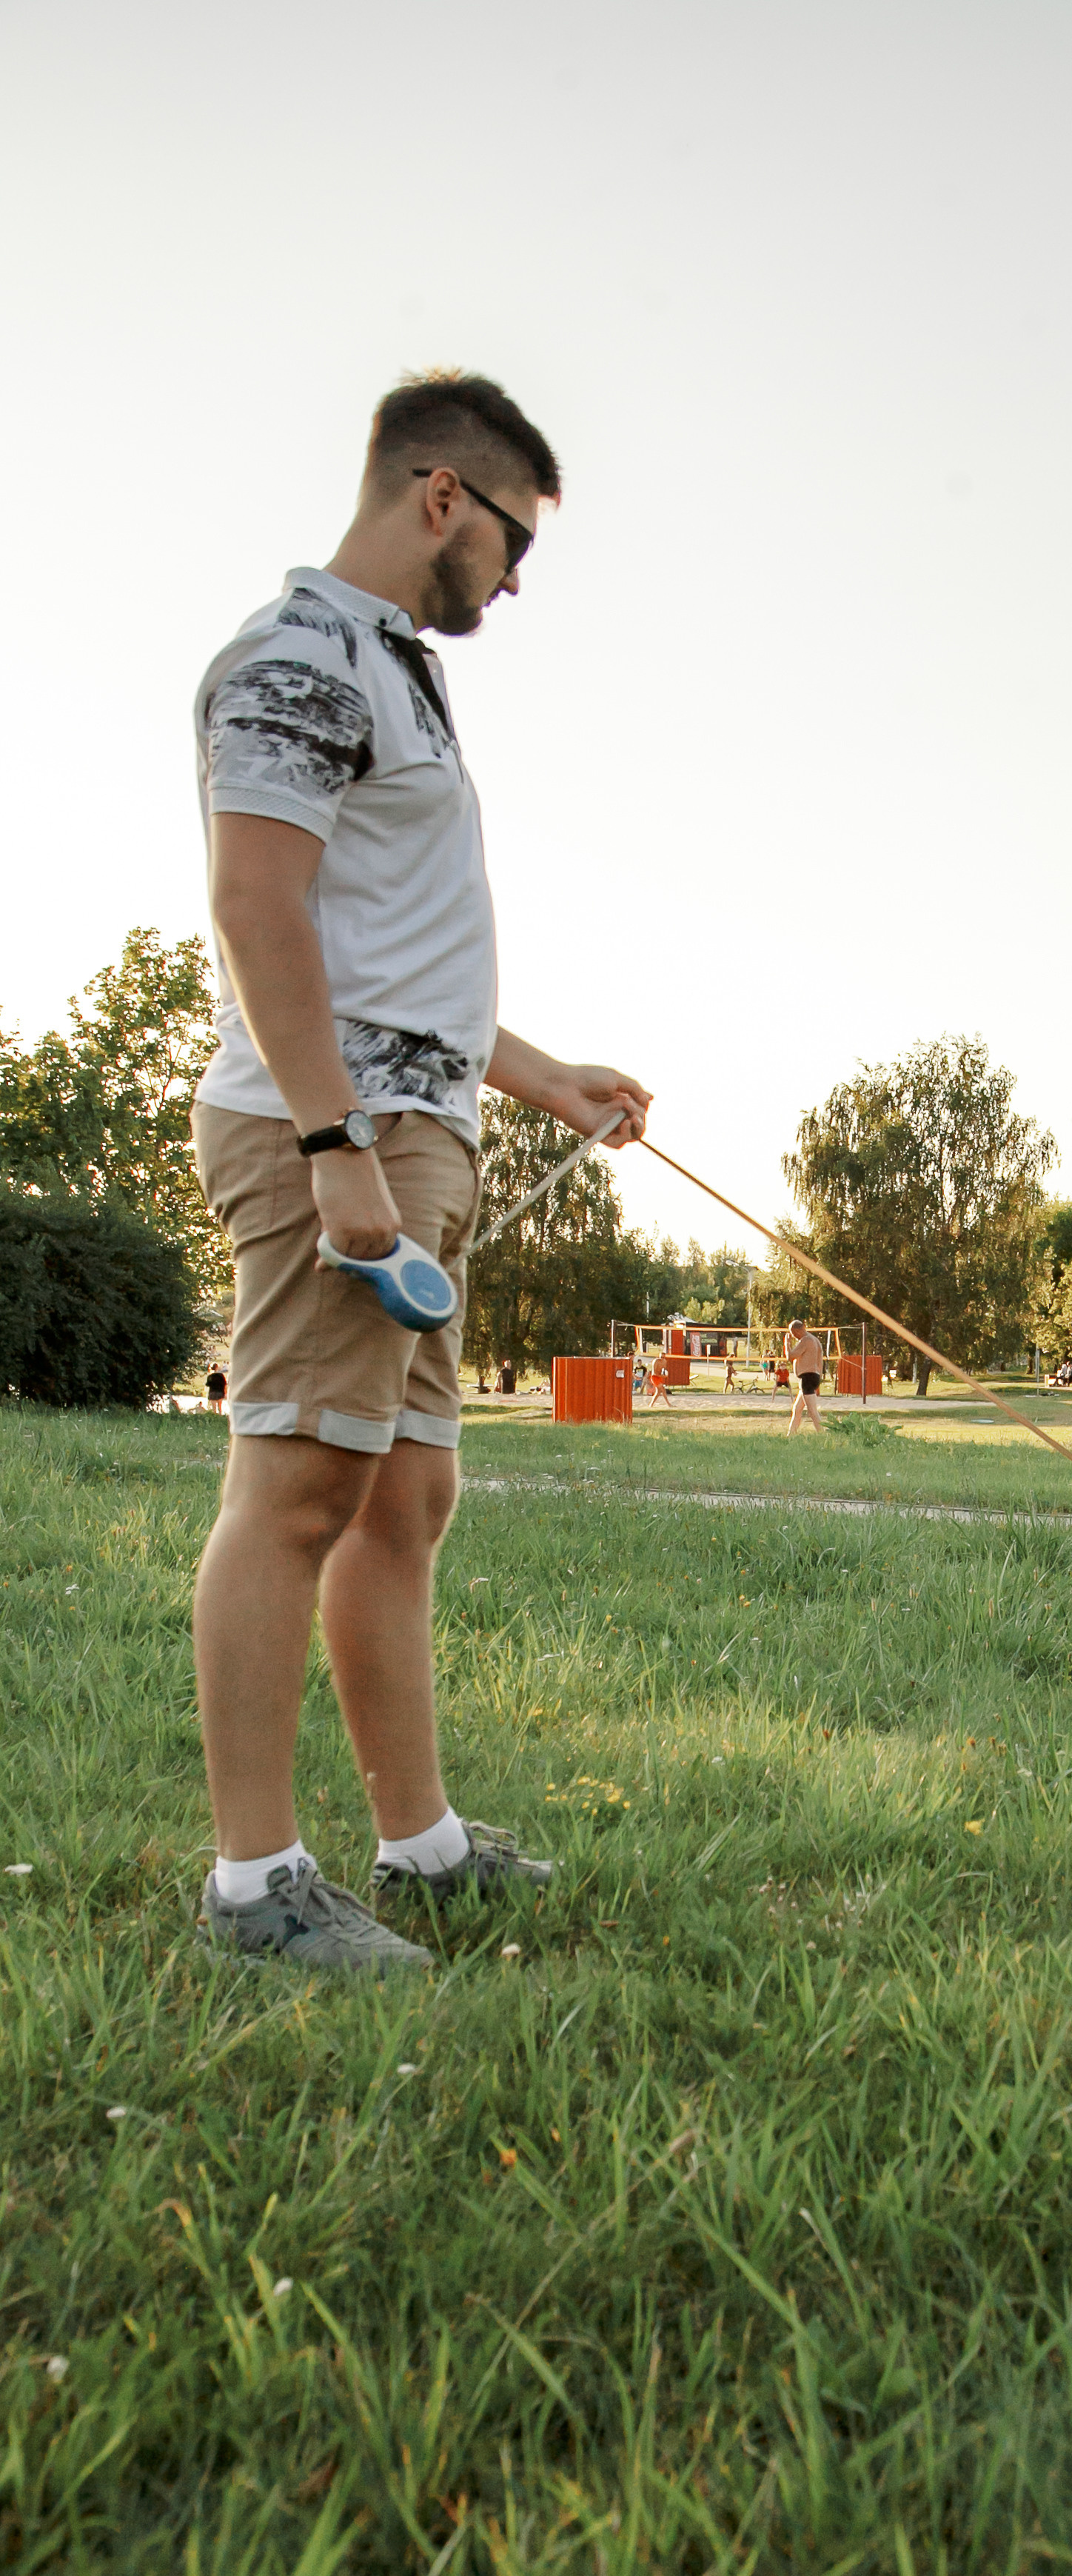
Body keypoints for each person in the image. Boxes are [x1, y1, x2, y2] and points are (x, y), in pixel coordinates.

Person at [188, 370, 652, 1977]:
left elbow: (391, 954)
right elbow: (260, 911)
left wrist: (538, 1076)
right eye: (514, 537)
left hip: (411, 1133)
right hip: (342, 1143)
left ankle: (424, 1846)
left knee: (406, 1494)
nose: (516, 578)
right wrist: (333, 1148)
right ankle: (256, 1890)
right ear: (441, 495)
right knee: (301, 1483)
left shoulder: (395, 673)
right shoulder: (299, 656)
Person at [783, 1318, 825, 1433]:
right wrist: (819, 1379)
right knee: (797, 1409)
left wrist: (787, 1344)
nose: (794, 1336)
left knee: (812, 1411)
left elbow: (790, 1357)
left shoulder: (806, 1340)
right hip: (813, 1376)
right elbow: (820, 1362)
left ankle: (822, 1434)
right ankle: (791, 1435)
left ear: (797, 1330)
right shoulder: (815, 1340)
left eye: (793, 1333)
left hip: (808, 1378)